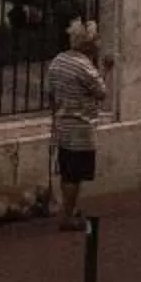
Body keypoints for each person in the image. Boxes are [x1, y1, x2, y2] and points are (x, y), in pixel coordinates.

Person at [46, 18, 112, 229]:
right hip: (81, 127)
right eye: (97, 39)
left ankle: (69, 210)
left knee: (67, 172)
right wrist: (106, 69)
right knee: (76, 175)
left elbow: (51, 93)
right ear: (89, 44)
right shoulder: (85, 67)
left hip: (62, 124)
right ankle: (67, 217)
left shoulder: (58, 61)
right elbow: (101, 92)